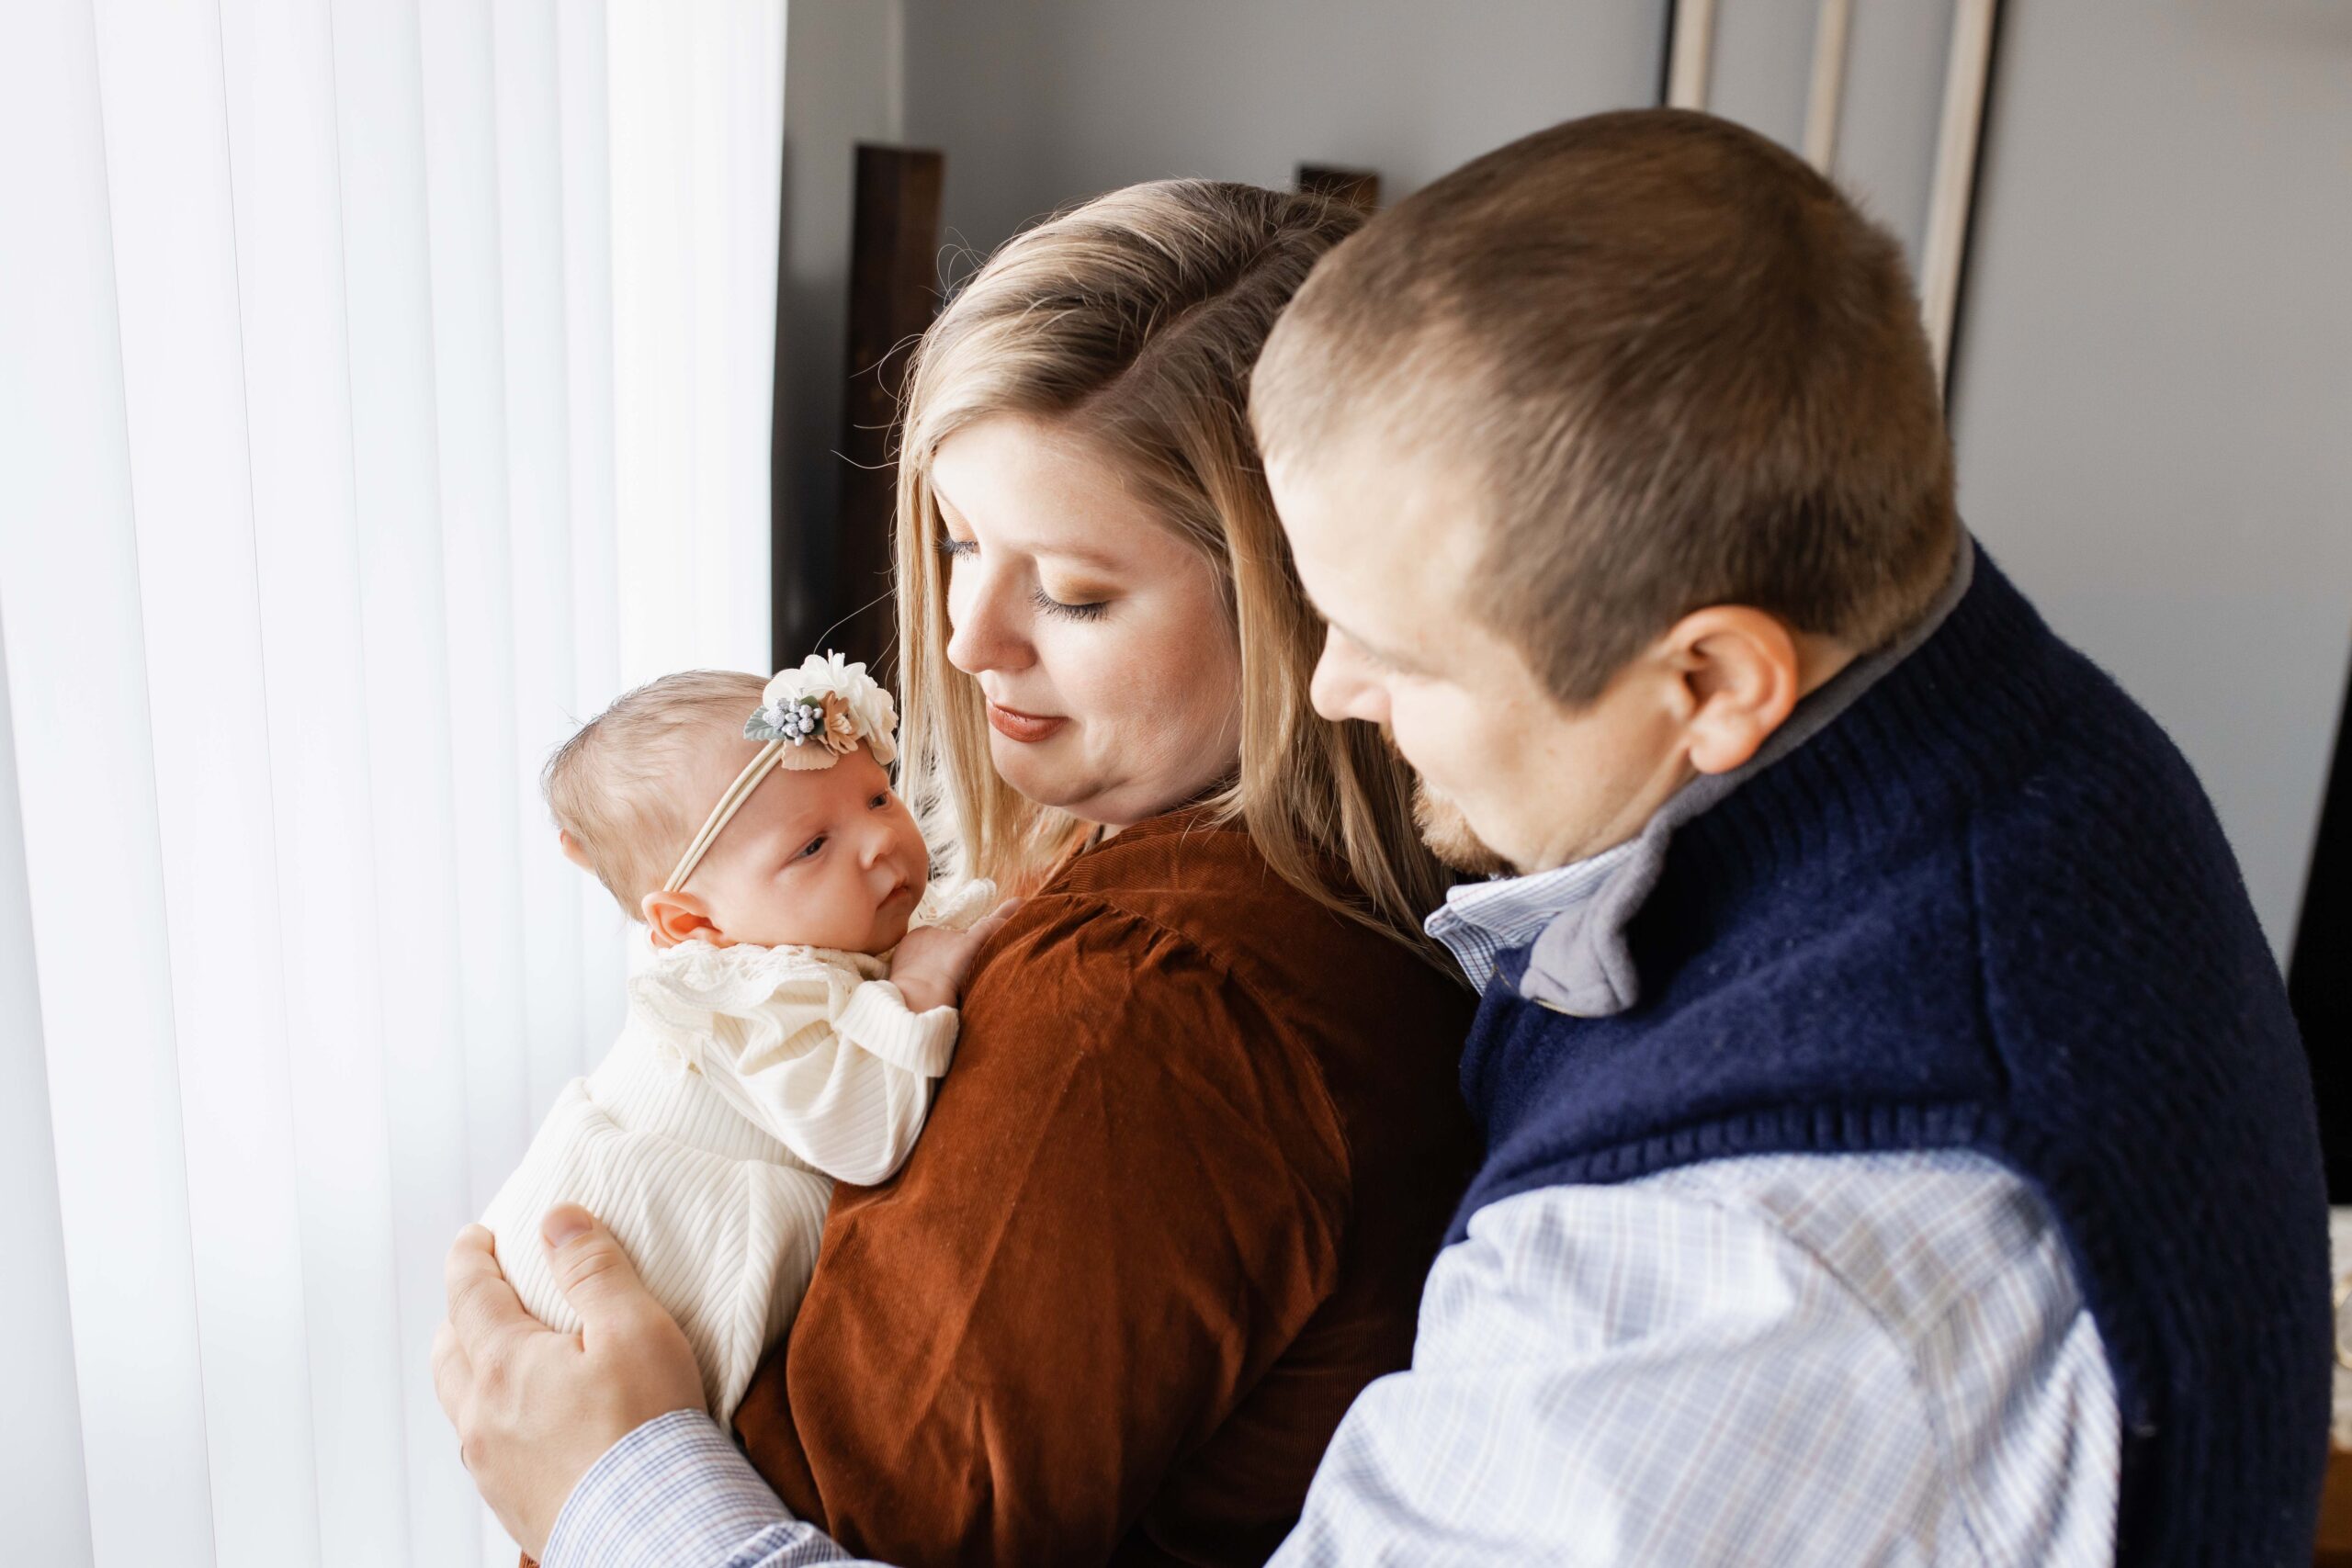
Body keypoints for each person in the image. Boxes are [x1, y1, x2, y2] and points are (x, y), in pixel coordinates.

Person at [440, 112, 2332, 1564]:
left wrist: (617, 1490)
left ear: (1708, 679)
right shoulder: (2020, 738)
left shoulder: (1750, 1270)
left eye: (1396, 649)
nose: (1331, 689)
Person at [438, 179, 1476, 1566]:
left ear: (1304, 603)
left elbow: (858, 1522)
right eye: (959, 541)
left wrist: (590, 1481)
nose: (967, 640)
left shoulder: (1151, 1006)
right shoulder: (1188, 871)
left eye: (1075, 592)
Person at [481, 657, 1009, 1423]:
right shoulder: (745, 996)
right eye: (812, 846)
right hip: (601, 1277)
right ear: (696, 924)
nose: (879, 840)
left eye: (877, 795)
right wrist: (922, 982)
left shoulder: (819, 930)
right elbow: (866, 1134)